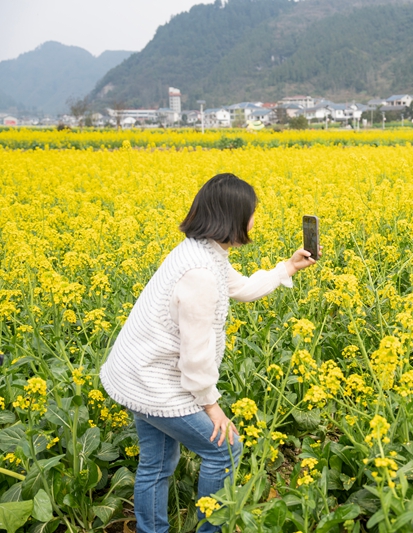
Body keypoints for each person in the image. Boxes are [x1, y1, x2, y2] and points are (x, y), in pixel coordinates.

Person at [100, 173, 316, 533]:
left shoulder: (201, 250)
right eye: (251, 213)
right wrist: (211, 406)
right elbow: (195, 354)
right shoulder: (199, 272)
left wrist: (288, 267)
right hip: (154, 382)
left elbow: (242, 287)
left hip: (137, 373)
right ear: (232, 217)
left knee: (156, 464)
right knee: (225, 449)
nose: (254, 220)